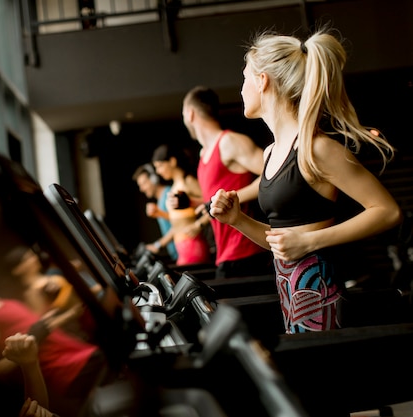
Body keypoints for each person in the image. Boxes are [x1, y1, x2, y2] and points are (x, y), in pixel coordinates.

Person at [209, 28, 403, 334]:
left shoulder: (316, 148)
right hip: (291, 303)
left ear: (262, 81)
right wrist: (236, 220)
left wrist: (311, 241)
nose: (241, 88)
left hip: (323, 302)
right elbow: (284, 243)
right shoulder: (272, 152)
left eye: (245, 77)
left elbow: (387, 211)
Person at [0, 265, 107, 417]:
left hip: (82, 352)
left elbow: (36, 326)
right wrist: (26, 350)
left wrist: (69, 312)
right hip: (68, 370)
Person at [182, 86, 273, 279]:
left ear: (190, 114)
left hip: (246, 251)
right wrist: (195, 203)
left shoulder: (229, 142)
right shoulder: (203, 153)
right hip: (224, 253)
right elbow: (214, 200)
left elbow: (275, 172)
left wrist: (233, 198)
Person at [148, 144, 211, 266]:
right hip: (181, 247)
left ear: (172, 161)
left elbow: (211, 205)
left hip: (193, 245)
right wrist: (160, 214)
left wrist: (199, 225)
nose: (158, 171)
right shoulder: (174, 186)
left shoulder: (188, 181)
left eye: (160, 166)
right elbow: (178, 223)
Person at [132, 163, 178, 261]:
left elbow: (179, 223)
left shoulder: (168, 194)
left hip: (182, 253)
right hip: (176, 255)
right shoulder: (160, 200)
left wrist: (157, 245)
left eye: (144, 183)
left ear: (154, 179)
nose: (142, 189)